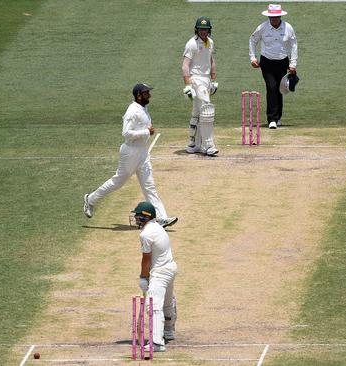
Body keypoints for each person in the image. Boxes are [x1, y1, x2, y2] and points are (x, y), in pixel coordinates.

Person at [83, 84, 178, 228]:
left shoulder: (143, 108)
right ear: (139, 95)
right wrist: (146, 132)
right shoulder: (132, 111)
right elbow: (126, 133)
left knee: (149, 186)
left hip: (143, 153)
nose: (149, 95)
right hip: (130, 152)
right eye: (146, 93)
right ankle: (90, 199)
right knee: (118, 182)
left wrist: (146, 134)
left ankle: (161, 218)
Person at [131, 201, 178, 352]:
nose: (136, 219)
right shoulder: (157, 226)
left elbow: (146, 258)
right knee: (167, 303)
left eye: (138, 216)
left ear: (145, 217)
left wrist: (144, 278)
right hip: (170, 268)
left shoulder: (145, 234)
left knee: (154, 305)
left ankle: (157, 342)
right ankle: (168, 331)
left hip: (160, 273)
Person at [249, 4, 298, 129]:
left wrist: (293, 64)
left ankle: (278, 117)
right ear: (269, 16)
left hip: (282, 62)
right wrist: (253, 57)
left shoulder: (288, 27)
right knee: (271, 87)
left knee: (280, 89)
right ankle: (272, 119)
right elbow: (253, 40)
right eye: (272, 17)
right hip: (267, 62)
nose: (274, 19)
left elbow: (293, 45)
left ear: (280, 16)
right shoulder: (262, 27)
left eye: (276, 16)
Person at [182, 16, 219, 156]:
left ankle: (194, 144)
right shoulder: (191, 44)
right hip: (196, 79)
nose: (203, 32)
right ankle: (208, 145)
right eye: (201, 29)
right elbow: (185, 66)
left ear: (209, 30)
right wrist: (187, 85)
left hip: (206, 79)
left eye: (206, 29)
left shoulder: (210, 42)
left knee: (197, 112)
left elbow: (211, 60)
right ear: (196, 30)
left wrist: (213, 79)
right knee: (207, 109)